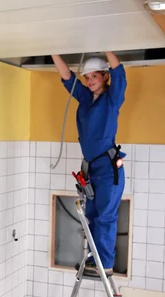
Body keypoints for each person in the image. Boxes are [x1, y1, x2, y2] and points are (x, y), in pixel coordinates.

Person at [52, 52, 127, 277]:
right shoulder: (86, 99)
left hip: (108, 168)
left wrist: (107, 46)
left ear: (105, 76)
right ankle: (95, 260)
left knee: (105, 216)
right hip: (91, 168)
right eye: (87, 77)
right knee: (93, 216)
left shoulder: (112, 98)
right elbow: (67, 78)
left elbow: (120, 73)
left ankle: (105, 264)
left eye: (95, 76)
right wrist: (54, 51)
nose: (90, 80)